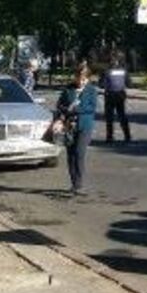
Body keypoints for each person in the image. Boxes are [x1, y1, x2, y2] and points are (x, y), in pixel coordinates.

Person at [55, 64, 98, 195]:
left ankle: (79, 184)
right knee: (71, 155)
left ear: (88, 79)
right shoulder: (68, 89)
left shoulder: (91, 90)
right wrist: (65, 111)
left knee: (79, 153)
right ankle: (74, 183)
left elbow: (92, 108)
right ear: (75, 77)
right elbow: (59, 105)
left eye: (84, 79)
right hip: (69, 126)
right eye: (79, 78)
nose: (81, 82)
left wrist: (76, 110)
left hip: (85, 125)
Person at [101, 52, 131, 143]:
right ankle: (127, 135)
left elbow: (101, 84)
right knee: (122, 115)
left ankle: (109, 137)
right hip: (121, 95)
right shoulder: (123, 71)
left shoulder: (107, 71)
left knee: (109, 117)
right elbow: (129, 83)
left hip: (110, 95)